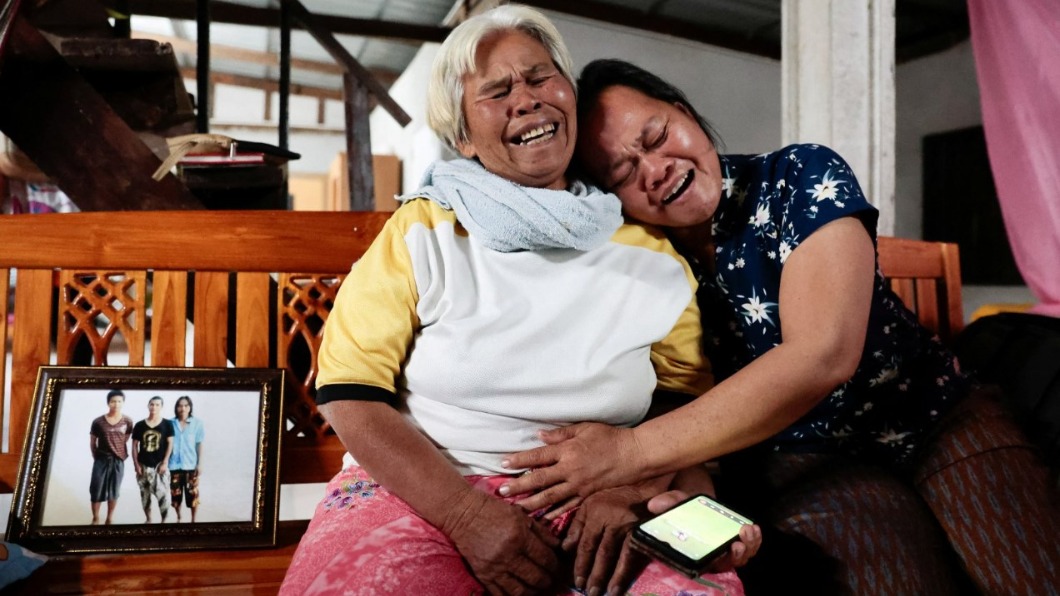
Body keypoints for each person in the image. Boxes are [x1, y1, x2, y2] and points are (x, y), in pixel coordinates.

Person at [501, 58, 1060, 595]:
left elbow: (822, 354)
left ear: (686, 113)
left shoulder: (798, 176)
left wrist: (627, 454)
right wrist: (645, 486)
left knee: (1029, 574)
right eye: (623, 172)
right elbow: (665, 398)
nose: (655, 170)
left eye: (655, 136)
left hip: (934, 416)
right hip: (799, 459)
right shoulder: (633, 262)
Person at [281, 7, 759, 596]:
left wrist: (628, 491)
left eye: (540, 78)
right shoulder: (424, 231)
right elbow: (349, 393)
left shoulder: (652, 257)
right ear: (462, 136)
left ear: (570, 96)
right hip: (425, 495)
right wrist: (463, 514)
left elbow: (686, 414)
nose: (527, 100)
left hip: (603, 503)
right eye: (498, 91)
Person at [89, 388, 133, 525]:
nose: (116, 404)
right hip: (101, 459)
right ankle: (95, 517)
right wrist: (97, 457)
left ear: (123, 402)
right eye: (113, 401)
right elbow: (92, 442)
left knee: (114, 489)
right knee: (96, 488)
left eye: (119, 401)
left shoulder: (128, 421)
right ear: (108, 403)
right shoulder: (98, 421)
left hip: (118, 459)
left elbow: (125, 438)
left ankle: (109, 518)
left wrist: (117, 449)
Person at [132, 395, 174, 523]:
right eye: (152, 404)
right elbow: (134, 446)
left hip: (159, 465)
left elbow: (170, 444)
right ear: (148, 405)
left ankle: (164, 521)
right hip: (143, 464)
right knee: (145, 496)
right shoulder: (139, 425)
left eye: (157, 405)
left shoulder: (167, 424)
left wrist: (165, 462)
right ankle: (148, 519)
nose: (154, 407)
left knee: (164, 496)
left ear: (161, 407)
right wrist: (136, 465)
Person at [168, 395, 204, 523]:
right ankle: (179, 517)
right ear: (176, 408)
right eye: (180, 405)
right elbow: (165, 444)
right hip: (174, 466)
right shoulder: (169, 423)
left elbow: (199, 444)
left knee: (192, 495)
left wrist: (200, 464)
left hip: (190, 466)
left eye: (185, 405)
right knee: (175, 495)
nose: (182, 408)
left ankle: (193, 520)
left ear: (190, 408)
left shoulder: (197, 424)